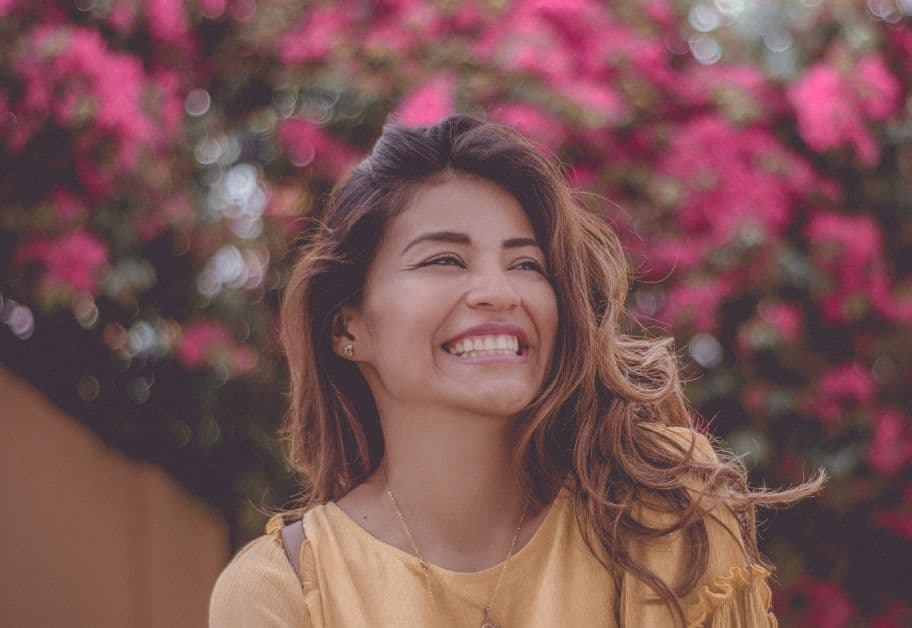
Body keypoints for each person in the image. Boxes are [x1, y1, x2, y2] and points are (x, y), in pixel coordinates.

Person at [209, 114, 826, 627]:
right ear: (349, 327)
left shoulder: (666, 518)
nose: (498, 292)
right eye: (446, 259)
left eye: (526, 265)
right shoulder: (282, 591)